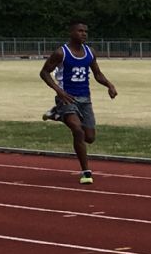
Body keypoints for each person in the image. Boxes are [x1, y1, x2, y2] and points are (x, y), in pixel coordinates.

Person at [40, 20, 117, 185]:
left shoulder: (90, 52)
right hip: (66, 98)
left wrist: (109, 85)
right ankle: (86, 171)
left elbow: (97, 73)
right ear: (72, 33)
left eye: (85, 31)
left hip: (85, 99)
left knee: (89, 137)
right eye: (80, 31)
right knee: (77, 130)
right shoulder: (61, 52)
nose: (83, 34)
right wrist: (59, 91)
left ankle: (57, 114)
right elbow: (44, 72)